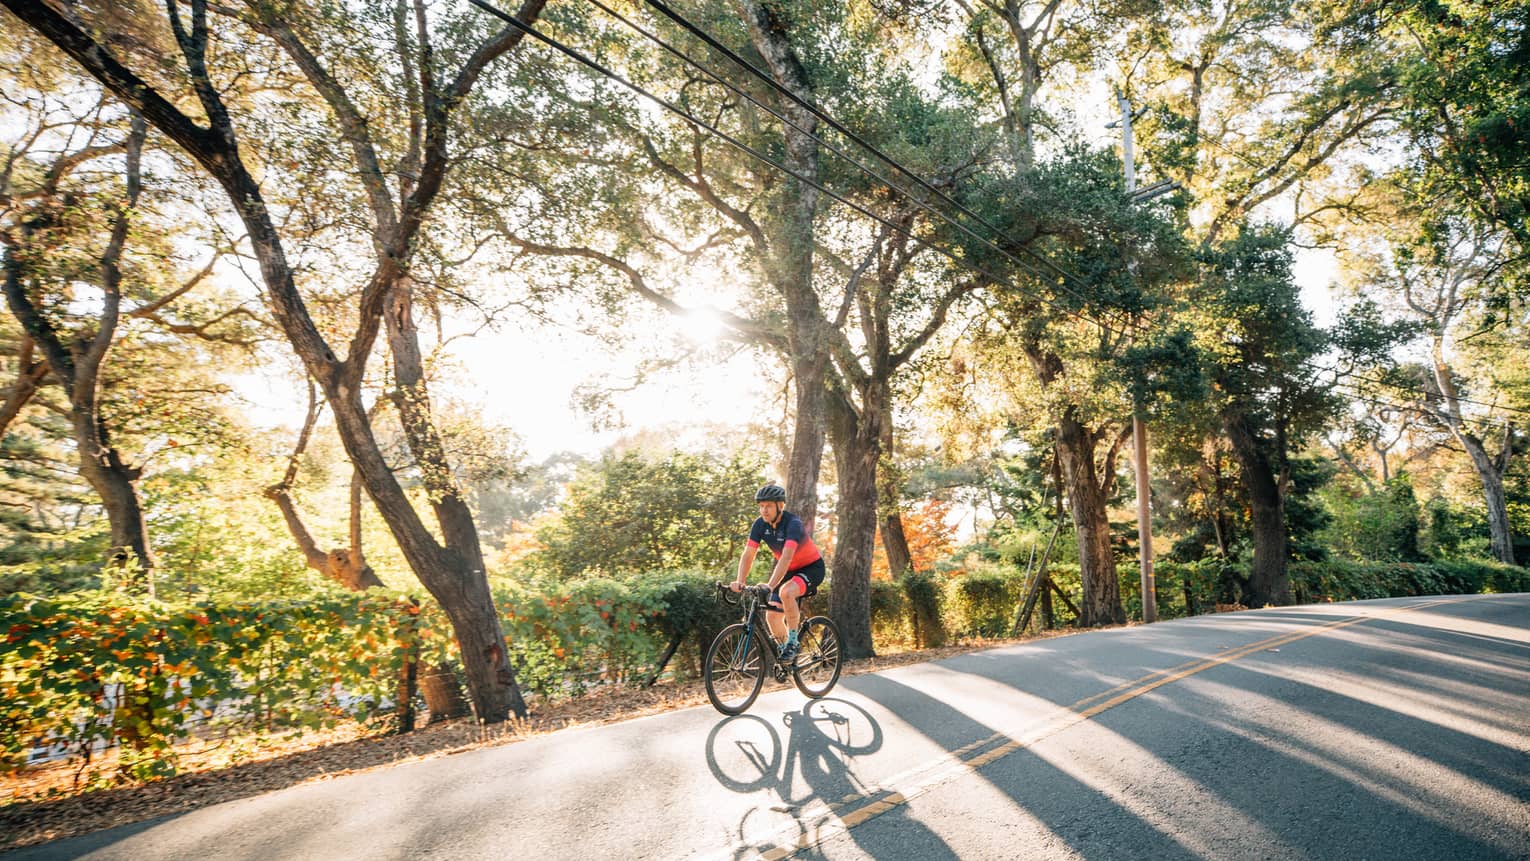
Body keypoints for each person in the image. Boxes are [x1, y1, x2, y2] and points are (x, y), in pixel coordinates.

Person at [730, 483, 825, 662]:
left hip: (811, 568)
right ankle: (787, 657)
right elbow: (749, 553)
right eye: (761, 506)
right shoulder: (759, 525)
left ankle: (793, 642)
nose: (764, 510)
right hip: (788, 571)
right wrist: (740, 581)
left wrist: (769, 585)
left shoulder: (793, 524)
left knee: (786, 592)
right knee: (772, 616)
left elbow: (786, 558)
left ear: (780, 506)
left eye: (768, 506)